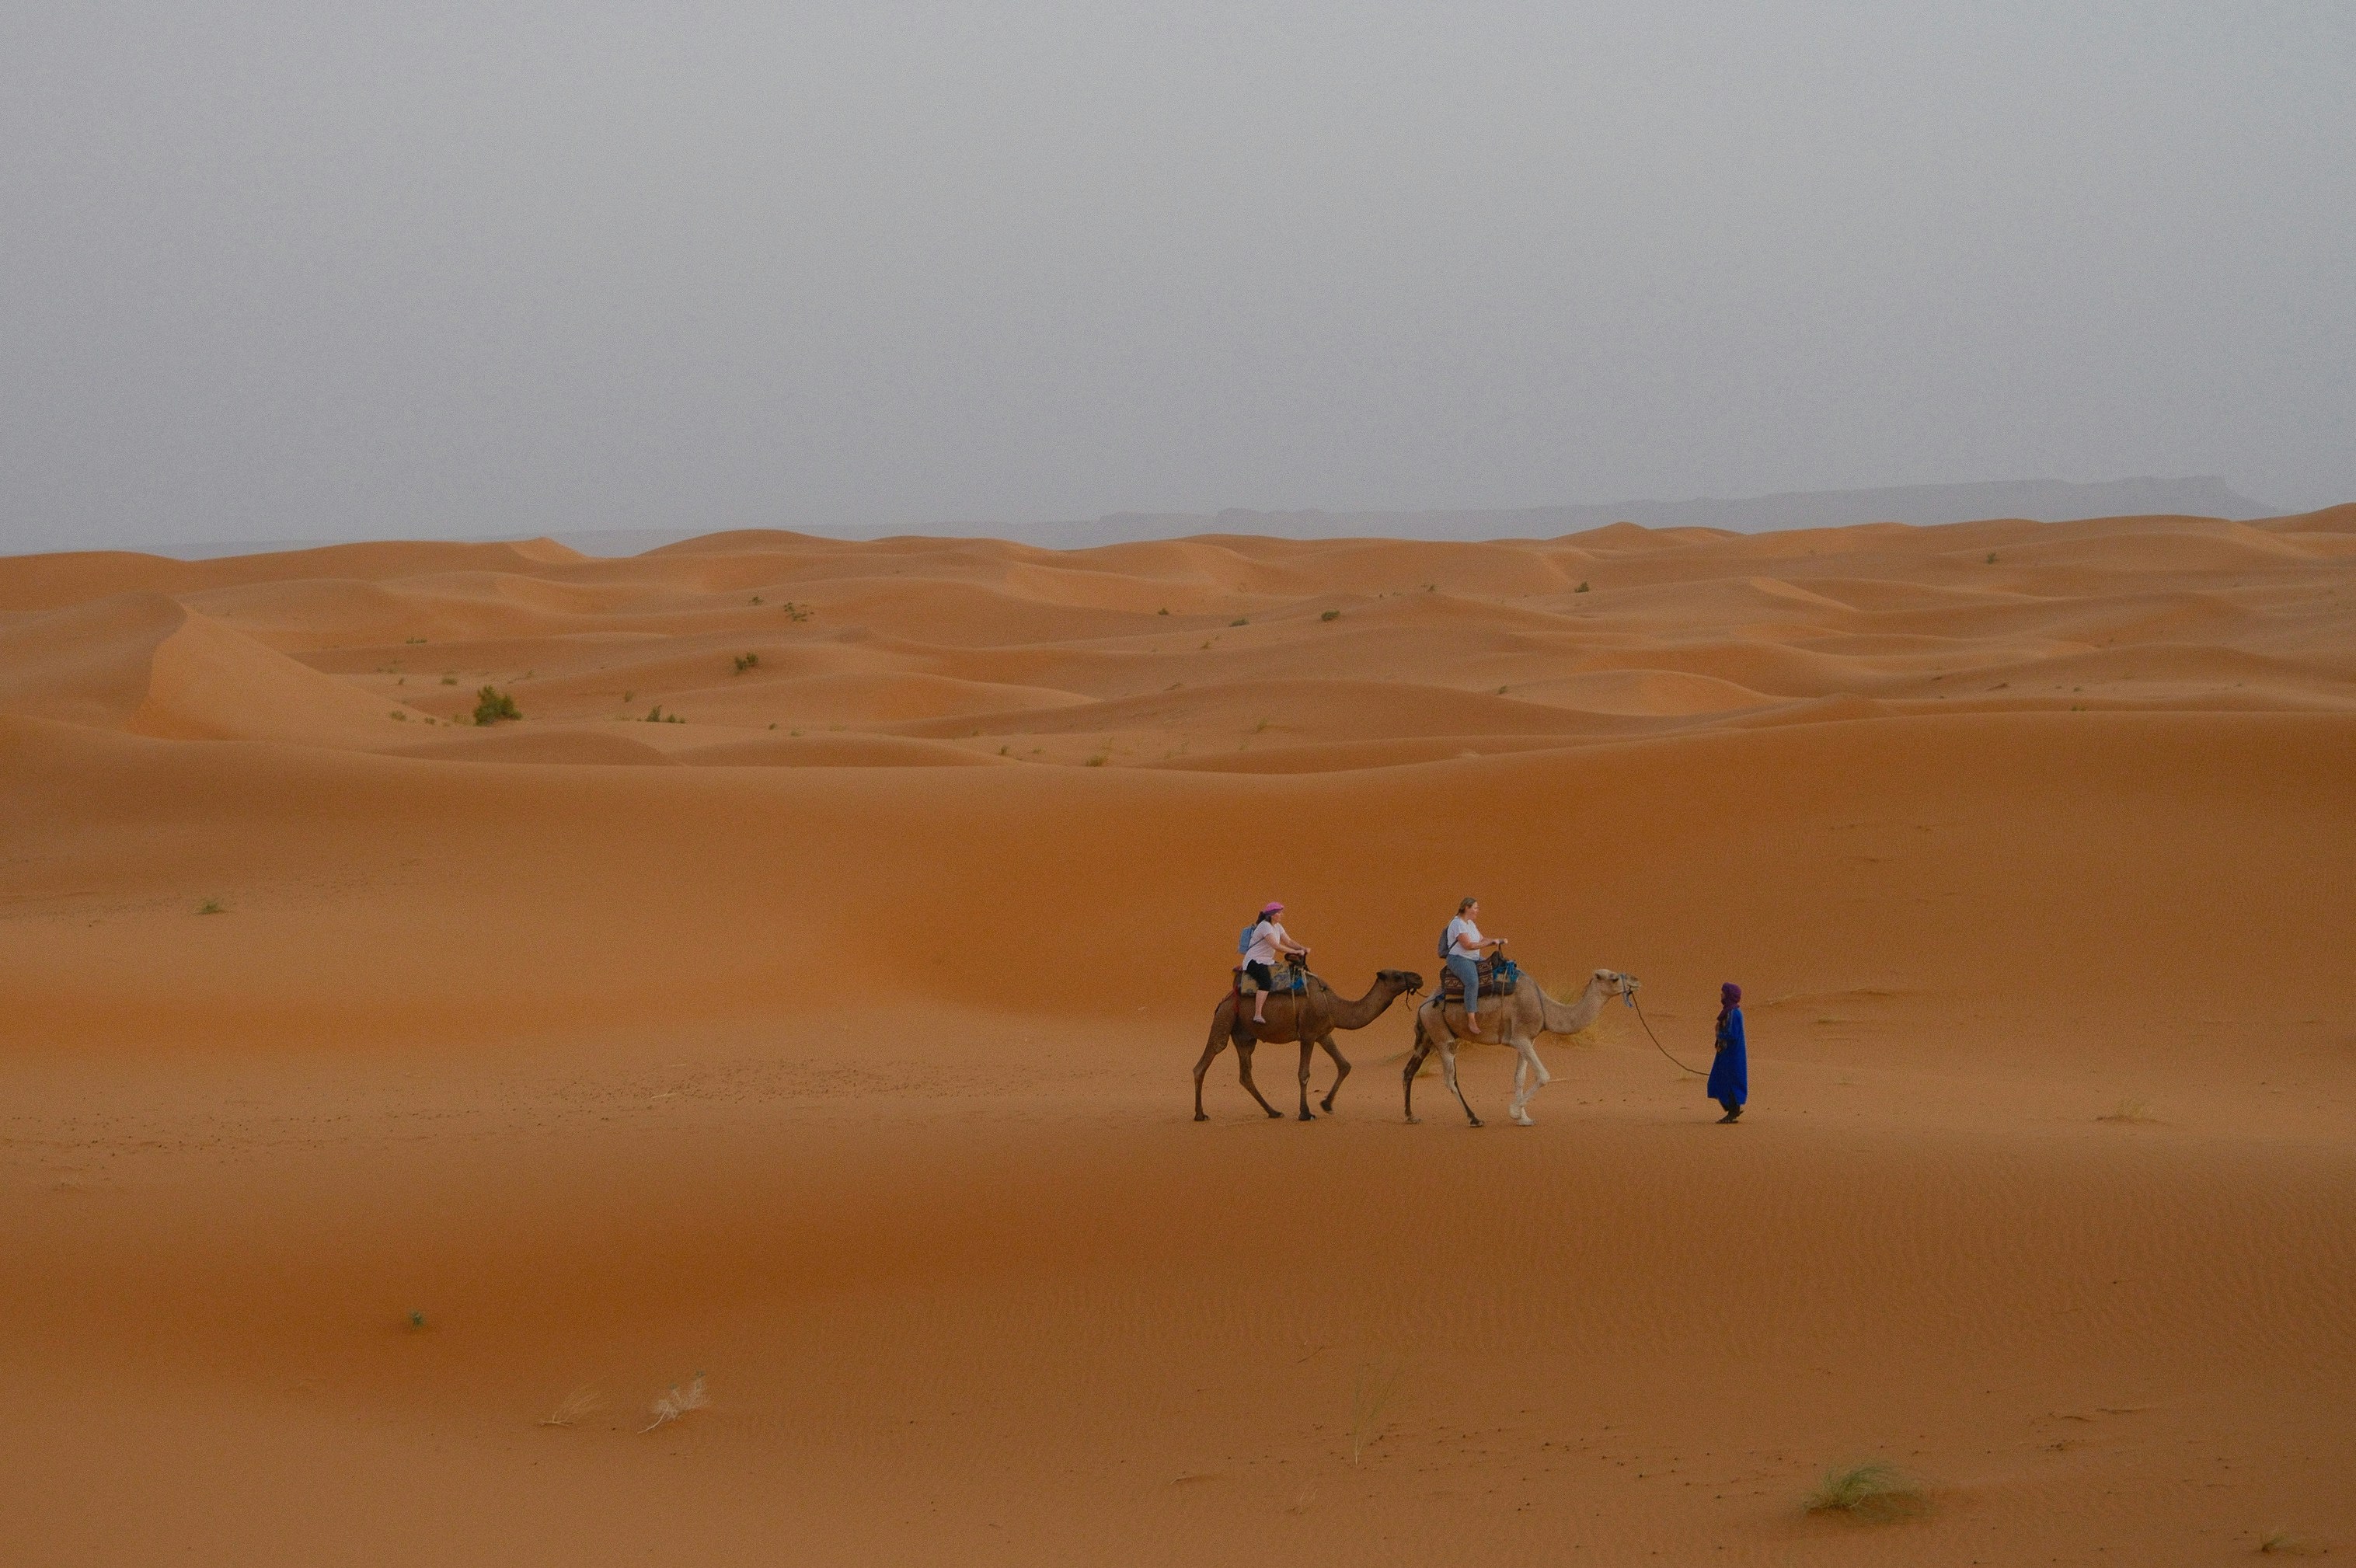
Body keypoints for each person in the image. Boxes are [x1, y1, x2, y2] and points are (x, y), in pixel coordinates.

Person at [1239, 901, 1309, 1026]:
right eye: (1279, 912)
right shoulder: (1265, 926)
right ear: (1272, 915)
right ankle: (1258, 1014)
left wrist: (1302, 948)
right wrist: (1295, 951)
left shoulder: (1278, 927)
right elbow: (1275, 945)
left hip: (1267, 961)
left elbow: (1289, 941)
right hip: (1254, 961)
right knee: (1266, 981)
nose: (1282, 915)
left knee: (1285, 974)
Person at [1441, 896, 1505, 1009]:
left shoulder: (1470, 924)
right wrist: (1489, 943)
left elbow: (1481, 940)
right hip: (1460, 959)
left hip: (1474, 958)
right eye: (1475, 908)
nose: (1477, 910)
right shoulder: (1458, 924)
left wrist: (1496, 941)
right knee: (1472, 982)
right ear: (1467, 908)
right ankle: (1471, 1020)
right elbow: (1469, 945)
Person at [1708, 982, 1748, 1122]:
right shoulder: (1729, 1012)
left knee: (1730, 1082)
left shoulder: (1734, 1013)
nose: (1721, 995)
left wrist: (1719, 1034)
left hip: (1732, 1056)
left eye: (1723, 993)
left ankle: (1733, 1112)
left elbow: (1732, 1034)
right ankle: (1732, 1110)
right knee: (1718, 1081)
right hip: (1726, 1054)